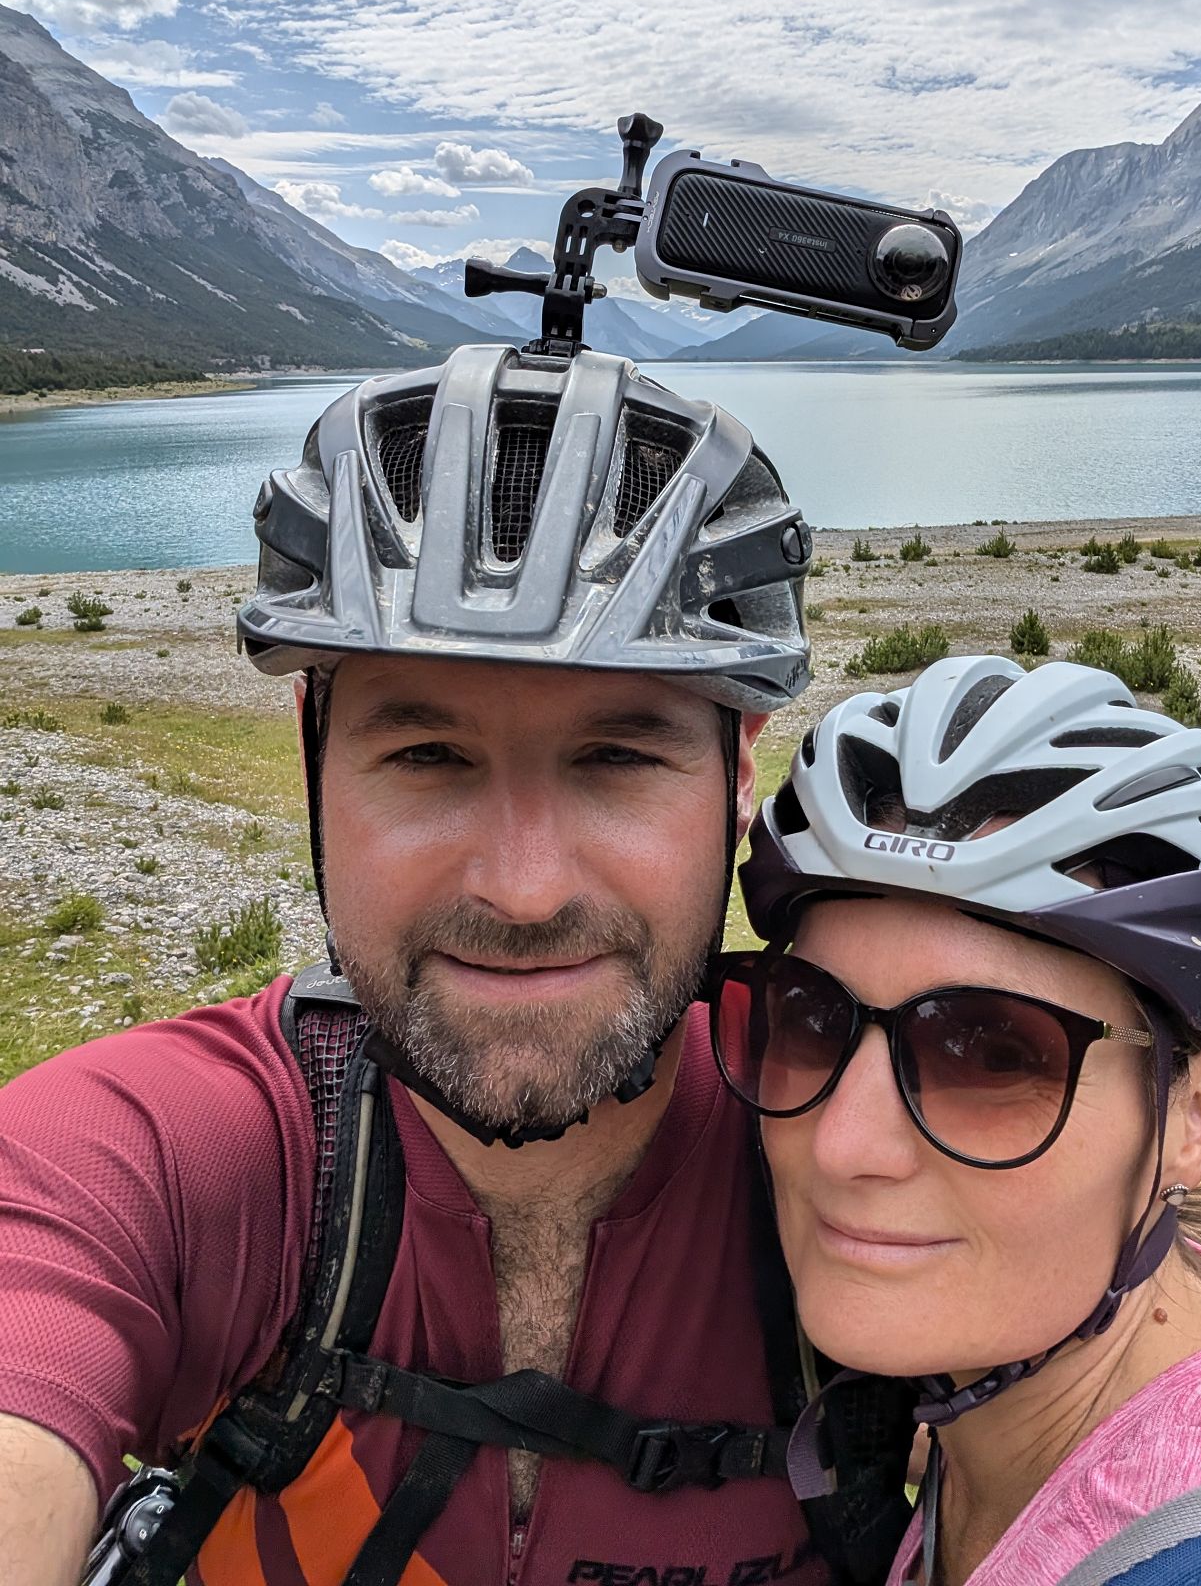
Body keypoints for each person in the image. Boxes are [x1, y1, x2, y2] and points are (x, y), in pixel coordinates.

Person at [0, 344, 903, 1585]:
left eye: (618, 760)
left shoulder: (882, 1146)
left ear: (738, 777)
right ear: (316, 764)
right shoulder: (170, 1155)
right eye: (427, 756)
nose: (523, 889)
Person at [710, 654, 1201, 1584]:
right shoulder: (999, 1393)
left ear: (1197, 1115)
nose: (843, 1143)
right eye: (810, 1018)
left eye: (994, 1054)